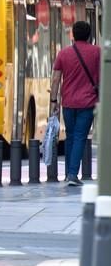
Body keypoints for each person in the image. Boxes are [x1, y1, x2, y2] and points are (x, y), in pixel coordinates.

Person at [50, 20, 100, 186]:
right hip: (87, 102)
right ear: (89, 35)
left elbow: (56, 78)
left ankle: (68, 173)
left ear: (73, 34)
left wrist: (54, 101)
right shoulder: (96, 52)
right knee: (79, 137)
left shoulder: (64, 53)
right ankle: (72, 174)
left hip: (68, 102)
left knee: (71, 136)